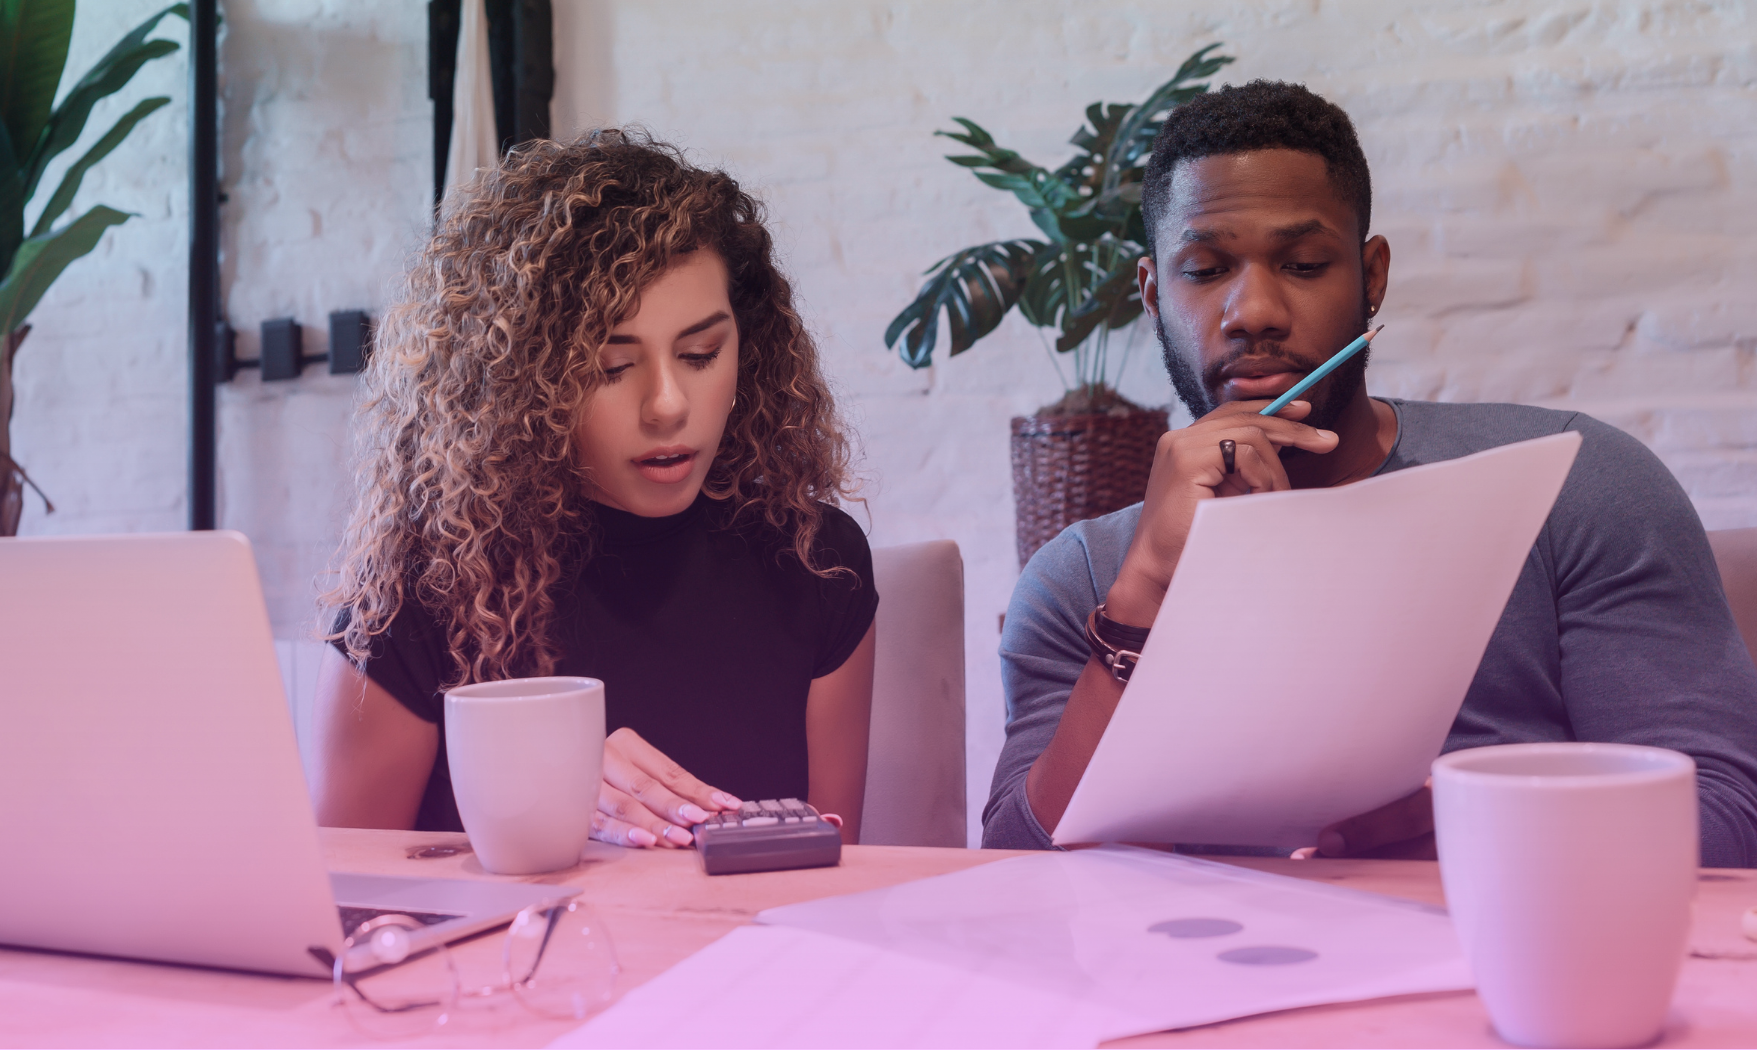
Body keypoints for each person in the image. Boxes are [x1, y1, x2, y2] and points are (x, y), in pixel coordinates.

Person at [984, 80, 1757, 867]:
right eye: (1207, 269)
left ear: (1372, 275)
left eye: (1304, 262)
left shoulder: (1576, 485)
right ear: (1153, 294)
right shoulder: (1082, 579)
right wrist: (1146, 586)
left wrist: (1484, 841)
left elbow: (1726, 816)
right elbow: (1015, 872)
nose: (1253, 310)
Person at [313, 131, 877, 848]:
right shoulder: (424, 587)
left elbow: (834, 873)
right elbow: (344, 895)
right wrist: (529, 798)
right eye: (612, 367)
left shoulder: (815, 561)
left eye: (702, 354)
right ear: (523, 383)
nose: (668, 404)